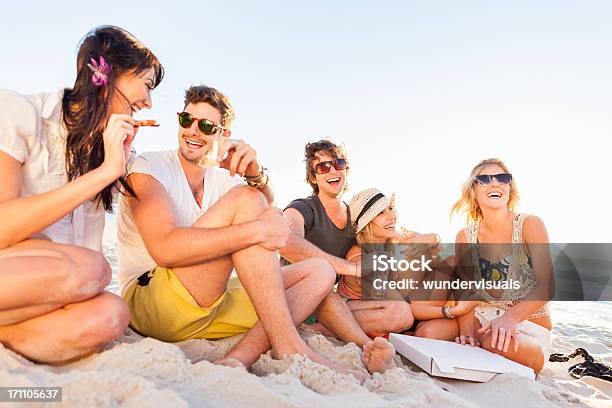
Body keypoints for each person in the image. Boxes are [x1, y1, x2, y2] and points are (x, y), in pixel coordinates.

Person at [117, 85, 364, 378]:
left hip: (210, 305)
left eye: (206, 125)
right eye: (187, 120)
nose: (194, 131)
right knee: (249, 203)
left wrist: (255, 174)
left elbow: (270, 218)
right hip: (152, 303)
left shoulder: (221, 179)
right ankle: (288, 344)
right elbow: (164, 250)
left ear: (223, 135)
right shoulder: (150, 165)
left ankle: (239, 356)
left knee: (319, 272)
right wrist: (255, 228)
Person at [0, 26, 164, 364]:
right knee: (94, 269)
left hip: (44, 295)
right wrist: (103, 173)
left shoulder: (113, 151)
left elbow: (159, 187)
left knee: (112, 313)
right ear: (107, 74)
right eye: (146, 85)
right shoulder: (19, 114)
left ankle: (8, 339)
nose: (148, 102)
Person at [280, 141, 401, 374]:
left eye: (339, 164)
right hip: (296, 290)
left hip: (330, 303)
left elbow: (377, 238)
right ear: (313, 178)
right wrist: (351, 268)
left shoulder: (353, 218)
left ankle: (320, 328)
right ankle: (368, 347)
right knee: (325, 288)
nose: (333, 171)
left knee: (400, 313)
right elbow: (286, 242)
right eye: (323, 167)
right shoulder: (303, 208)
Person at [451, 158, 553, 373]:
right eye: (485, 179)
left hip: (527, 327)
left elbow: (547, 285)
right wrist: (467, 332)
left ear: (509, 187)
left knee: (493, 342)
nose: (495, 183)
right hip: (482, 319)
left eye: (502, 178)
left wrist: (510, 318)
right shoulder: (464, 236)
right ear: (473, 190)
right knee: (428, 332)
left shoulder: (530, 224)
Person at [342, 188, 476, 341]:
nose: (391, 217)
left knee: (454, 261)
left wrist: (429, 240)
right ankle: (453, 313)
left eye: (390, 209)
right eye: (380, 213)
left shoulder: (395, 238)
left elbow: (433, 240)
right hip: (378, 314)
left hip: (411, 307)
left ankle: (466, 331)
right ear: (366, 224)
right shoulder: (357, 256)